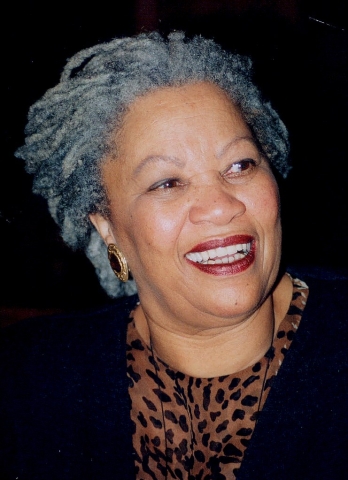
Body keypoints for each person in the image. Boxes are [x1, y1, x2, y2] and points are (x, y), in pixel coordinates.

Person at [0, 31, 347, 480]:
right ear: (107, 226)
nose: (222, 206)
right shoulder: (25, 383)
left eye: (240, 165)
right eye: (167, 183)